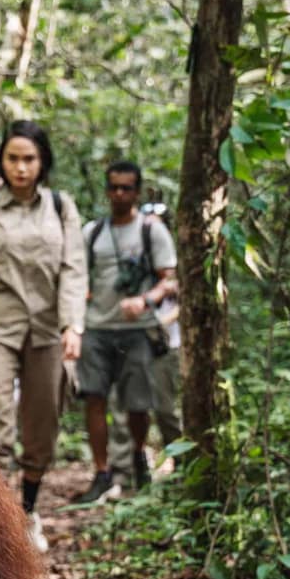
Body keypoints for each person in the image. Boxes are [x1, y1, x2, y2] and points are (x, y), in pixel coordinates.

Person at [0, 120, 86, 553]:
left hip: (47, 327)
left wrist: (73, 323)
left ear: (42, 162)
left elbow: (73, 269)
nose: (21, 168)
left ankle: (28, 510)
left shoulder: (62, 208)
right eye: (13, 159)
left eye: (29, 159)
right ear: (0, 162)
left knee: (42, 423)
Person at [74, 162, 178, 504]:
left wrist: (146, 300)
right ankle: (102, 473)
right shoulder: (93, 232)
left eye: (127, 188)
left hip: (138, 331)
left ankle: (137, 459)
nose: (119, 194)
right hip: (98, 328)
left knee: (137, 405)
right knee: (94, 398)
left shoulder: (152, 231)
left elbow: (170, 279)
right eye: (114, 187)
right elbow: (78, 276)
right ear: (107, 189)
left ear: (137, 191)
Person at [108, 201, 182, 488]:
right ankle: (129, 471)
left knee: (166, 409)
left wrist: (156, 321)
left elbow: (181, 301)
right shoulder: (130, 259)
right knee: (127, 407)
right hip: (130, 342)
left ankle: (183, 469)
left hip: (163, 345)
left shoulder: (173, 264)